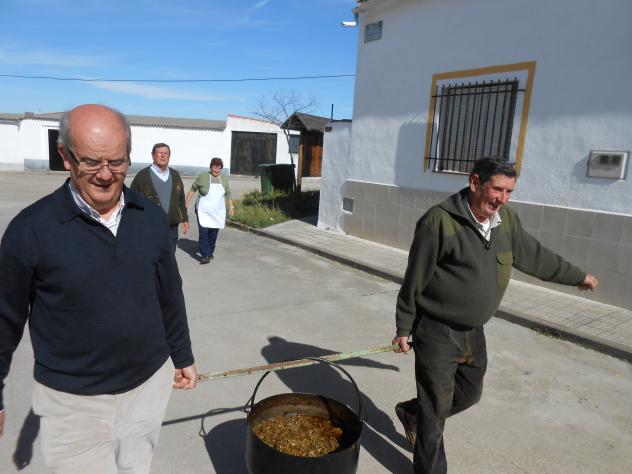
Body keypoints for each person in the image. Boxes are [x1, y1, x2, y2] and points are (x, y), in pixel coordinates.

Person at [0, 104, 198, 472]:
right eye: (91, 162)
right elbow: (4, 317)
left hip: (148, 387)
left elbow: (170, 293)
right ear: (65, 156)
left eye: (117, 162)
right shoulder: (31, 230)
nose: (106, 175)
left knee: (136, 467)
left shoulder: (150, 218)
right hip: (72, 400)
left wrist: (182, 355)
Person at [392, 158, 598, 474]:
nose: (503, 198)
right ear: (475, 182)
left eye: (509, 191)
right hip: (436, 331)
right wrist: (404, 327)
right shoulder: (439, 222)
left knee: (469, 395)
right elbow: (414, 280)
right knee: (436, 414)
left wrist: (576, 276)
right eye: (497, 189)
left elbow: (536, 256)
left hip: (474, 331)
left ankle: (415, 413)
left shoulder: (506, 221)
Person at [130, 142, 189, 253]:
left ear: (169, 156)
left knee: (169, 257)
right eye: (160, 153)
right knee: (151, 257)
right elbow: (132, 201)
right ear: (153, 155)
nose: (163, 156)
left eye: (166, 153)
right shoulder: (142, 176)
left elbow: (181, 200)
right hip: (149, 228)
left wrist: (185, 219)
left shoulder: (175, 175)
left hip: (171, 228)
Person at [185, 157, 234, 264]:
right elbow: (193, 189)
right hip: (203, 210)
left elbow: (228, 193)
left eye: (219, 168)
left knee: (213, 233)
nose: (217, 170)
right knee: (203, 231)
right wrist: (186, 202)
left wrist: (231, 207)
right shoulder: (203, 176)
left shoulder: (223, 179)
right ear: (211, 167)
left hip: (217, 211)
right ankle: (205, 255)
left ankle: (210, 251)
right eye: (215, 167)